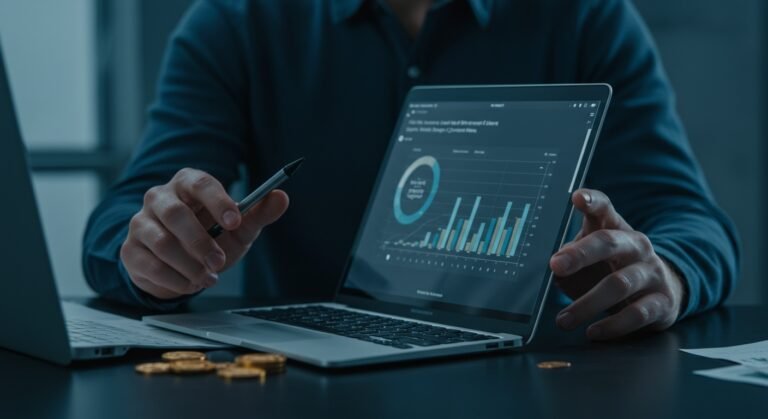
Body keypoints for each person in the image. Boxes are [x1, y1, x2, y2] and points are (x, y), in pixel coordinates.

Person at [83, 0, 739, 341]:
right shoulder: (234, 23)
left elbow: (690, 221)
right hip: (305, 391)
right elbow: (118, 225)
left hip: (532, 385)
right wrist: (147, 253)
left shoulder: (585, 15)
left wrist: (669, 275)